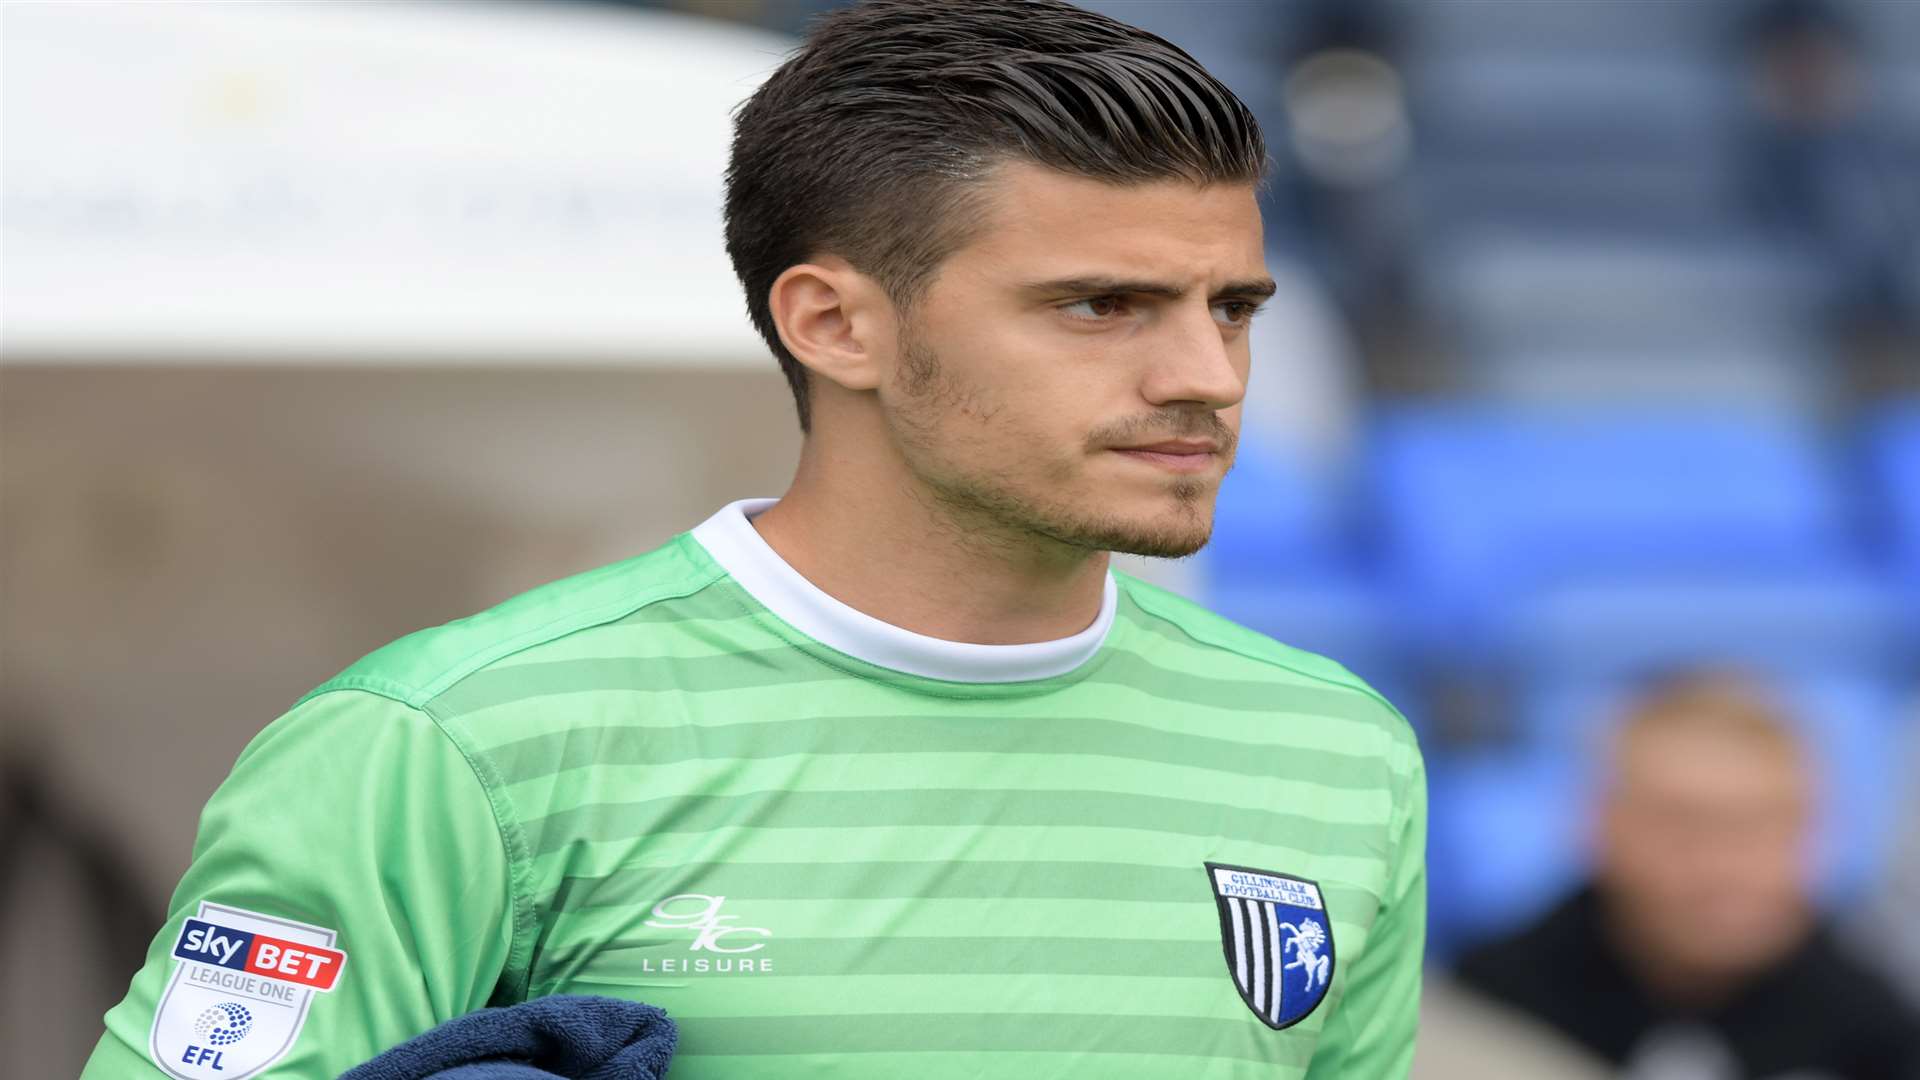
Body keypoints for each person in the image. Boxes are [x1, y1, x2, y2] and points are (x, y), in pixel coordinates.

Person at [81, 1, 1426, 1076]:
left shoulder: (1334, 751)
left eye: (1233, 305)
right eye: (1102, 304)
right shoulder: (449, 741)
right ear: (834, 323)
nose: (1209, 372)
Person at [1453, 671, 1920, 1080]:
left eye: (1762, 826)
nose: (1724, 866)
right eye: (1683, 824)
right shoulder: (1485, 1009)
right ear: (1600, 825)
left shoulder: (1875, 1025)